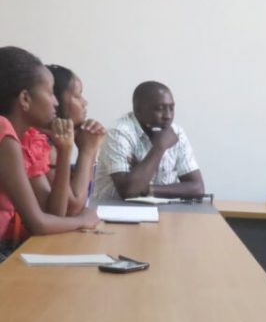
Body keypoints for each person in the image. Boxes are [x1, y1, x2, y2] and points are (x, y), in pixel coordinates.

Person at [0, 46, 99, 260]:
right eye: (50, 93)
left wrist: (65, 152)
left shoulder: (21, 137)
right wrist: (83, 220)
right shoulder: (3, 134)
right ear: (25, 99)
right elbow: (38, 223)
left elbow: (53, 213)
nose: (55, 102)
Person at [93, 81, 204, 201]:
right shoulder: (119, 132)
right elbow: (128, 191)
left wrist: (148, 189)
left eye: (171, 108)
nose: (168, 115)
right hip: (114, 213)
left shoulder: (176, 132)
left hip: (165, 211)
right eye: (160, 109)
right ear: (138, 110)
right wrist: (159, 148)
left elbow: (197, 188)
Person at [20, 65, 106, 217]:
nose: (84, 103)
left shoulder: (54, 140)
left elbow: (85, 195)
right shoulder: (38, 142)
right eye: (77, 96)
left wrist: (89, 147)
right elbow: (71, 208)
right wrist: (87, 151)